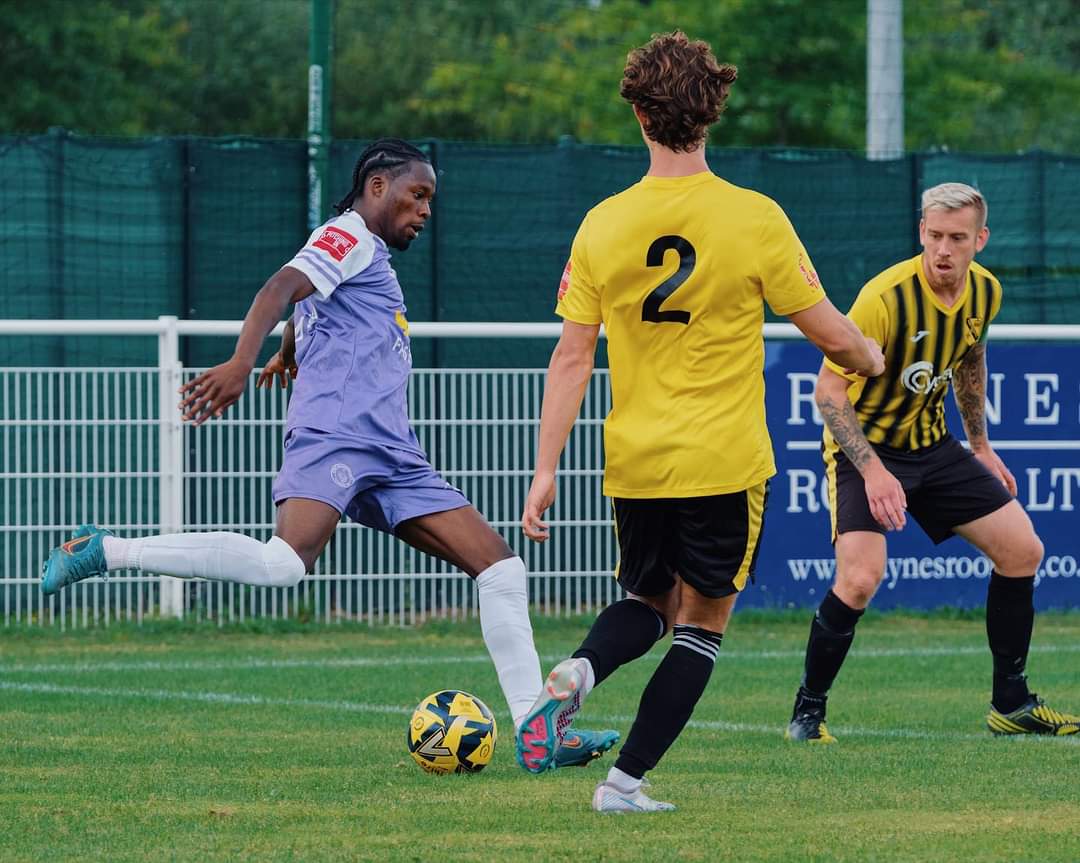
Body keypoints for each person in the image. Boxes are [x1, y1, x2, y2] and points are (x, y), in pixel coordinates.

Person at [40, 138, 617, 768]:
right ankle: (105, 549)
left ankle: (538, 737)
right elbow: (281, 286)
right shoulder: (349, 234)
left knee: (503, 571)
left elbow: (315, 298)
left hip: (394, 452)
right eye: (416, 194)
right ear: (376, 186)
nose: (425, 210)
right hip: (337, 435)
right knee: (284, 564)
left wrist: (291, 345)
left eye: (430, 199)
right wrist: (241, 360)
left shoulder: (363, 254)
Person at [511, 32, 885, 813]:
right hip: (723, 461)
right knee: (701, 626)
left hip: (636, 462)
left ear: (640, 116)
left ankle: (578, 671)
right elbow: (828, 331)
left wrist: (544, 471)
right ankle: (623, 784)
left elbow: (571, 359)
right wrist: (871, 356)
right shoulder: (753, 216)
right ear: (711, 111)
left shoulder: (603, 223)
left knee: (649, 603)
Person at [785, 182, 1079, 743]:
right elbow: (829, 393)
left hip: (933, 447)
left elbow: (971, 361)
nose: (944, 249)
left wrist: (982, 445)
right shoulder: (885, 297)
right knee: (861, 577)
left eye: (958, 238)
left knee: (1023, 551)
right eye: (935, 235)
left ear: (981, 240)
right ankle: (807, 712)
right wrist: (873, 472)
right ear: (921, 232)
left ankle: (1011, 705)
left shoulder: (986, 293)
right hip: (865, 450)